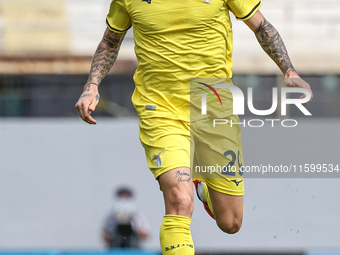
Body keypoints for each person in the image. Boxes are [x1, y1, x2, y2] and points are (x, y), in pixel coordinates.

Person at [75, 0, 313, 254]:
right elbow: (111, 40)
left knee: (231, 221)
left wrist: (289, 70)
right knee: (179, 199)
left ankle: (203, 188)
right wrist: (92, 85)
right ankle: (191, 189)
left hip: (212, 106)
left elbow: (261, 25)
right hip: (160, 109)